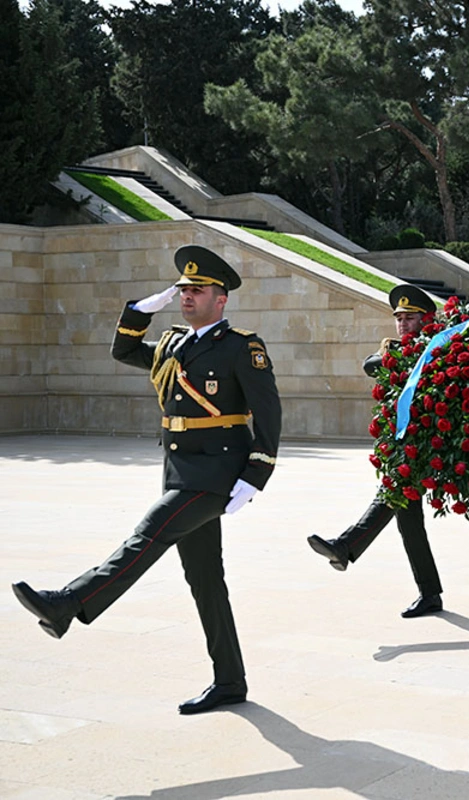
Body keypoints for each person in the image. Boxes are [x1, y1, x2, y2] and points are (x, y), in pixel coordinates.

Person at [12, 245, 282, 715]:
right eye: (183, 290)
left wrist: (257, 474)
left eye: (197, 290)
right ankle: (230, 681)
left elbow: (269, 411)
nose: (186, 296)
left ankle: (68, 602)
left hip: (216, 473)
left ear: (221, 299)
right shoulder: (175, 343)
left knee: (147, 535)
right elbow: (124, 350)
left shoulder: (242, 347)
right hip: (180, 470)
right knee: (205, 579)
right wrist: (140, 311)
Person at [307, 284, 445, 618]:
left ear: (426, 320)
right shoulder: (394, 350)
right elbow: (371, 364)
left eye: (409, 318)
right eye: (399, 318)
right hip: (403, 446)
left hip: (430, 444)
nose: (402, 324)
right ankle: (429, 593)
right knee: (408, 522)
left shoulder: (439, 349)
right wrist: (400, 354)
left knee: (393, 495)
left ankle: (346, 546)